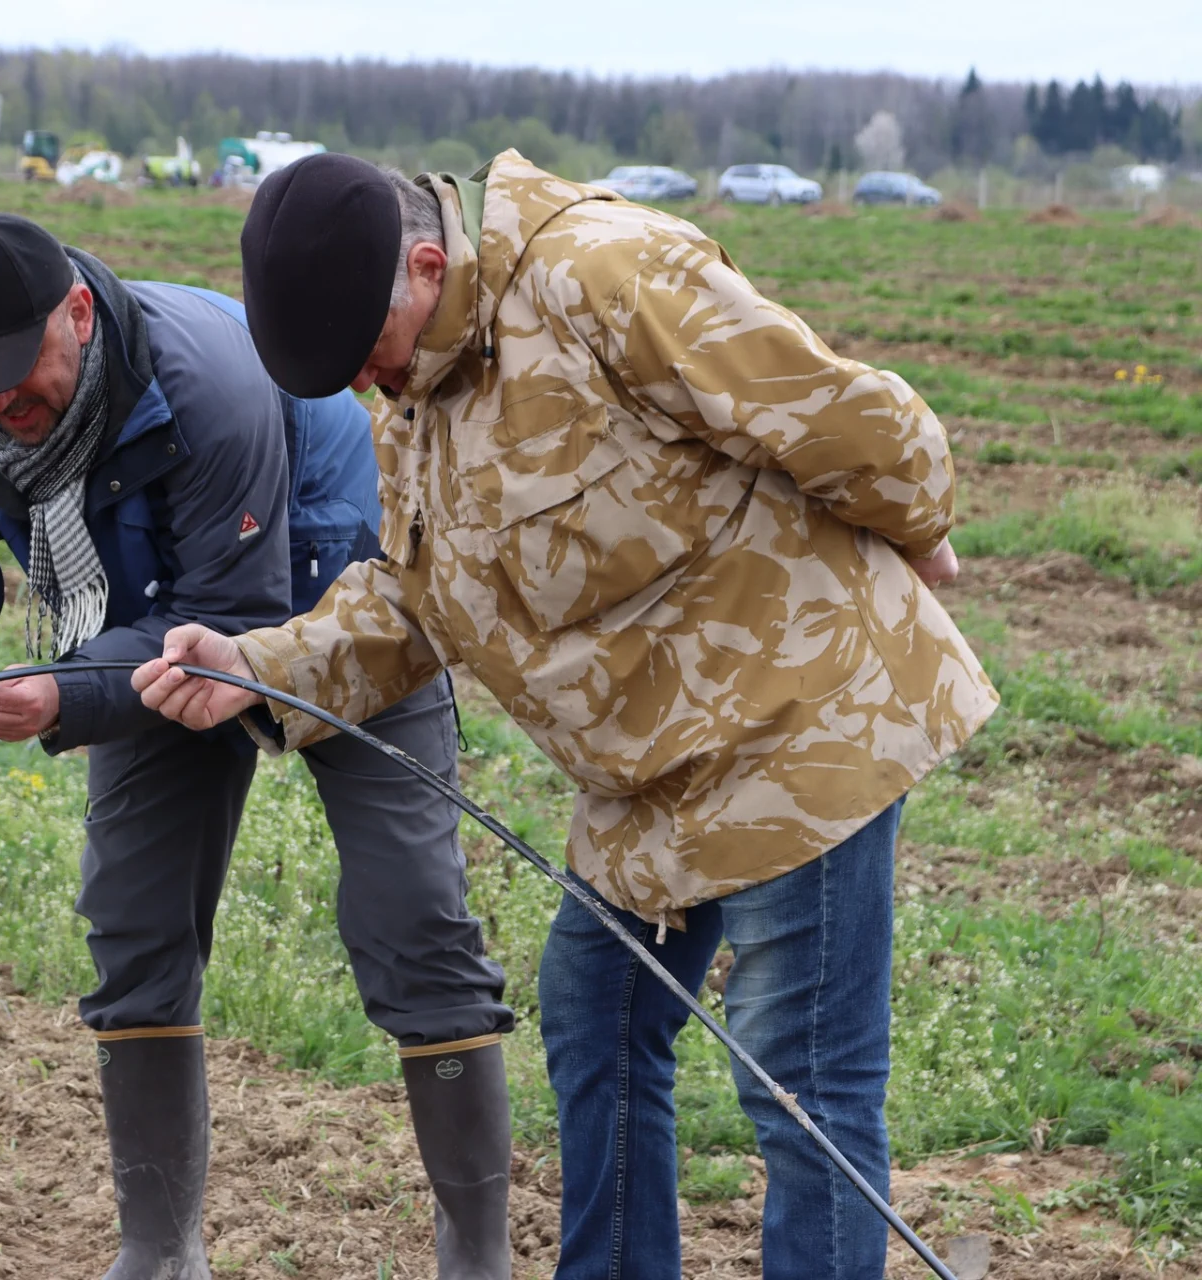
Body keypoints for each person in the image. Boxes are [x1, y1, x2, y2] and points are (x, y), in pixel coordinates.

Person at [134, 152, 1000, 1280]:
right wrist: (260, 664)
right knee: (594, 1016)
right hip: (646, 789)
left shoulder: (605, 276)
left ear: (428, 268)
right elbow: (413, 600)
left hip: (799, 728)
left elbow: (841, 413)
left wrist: (920, 524)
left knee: (801, 1081)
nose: (362, 389)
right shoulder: (415, 395)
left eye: (365, 357)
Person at [0, 212, 519, 1279]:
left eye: (16, 373)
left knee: (412, 921)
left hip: (332, 604)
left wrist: (67, 694)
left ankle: (476, 1259)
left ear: (77, 311)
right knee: (134, 922)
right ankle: (159, 1255)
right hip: (144, 627)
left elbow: (229, 608)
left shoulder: (209, 379)